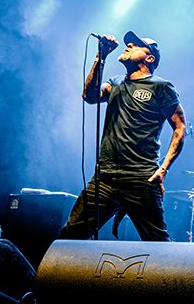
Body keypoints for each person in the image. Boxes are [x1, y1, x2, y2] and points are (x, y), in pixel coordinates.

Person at [58, 31, 186, 241]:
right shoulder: (116, 82)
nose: (129, 46)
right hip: (105, 178)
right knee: (69, 236)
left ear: (149, 58)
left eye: (136, 45)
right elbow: (89, 96)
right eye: (129, 43)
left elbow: (180, 128)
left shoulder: (161, 87)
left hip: (140, 178)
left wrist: (163, 169)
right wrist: (101, 56)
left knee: (158, 243)